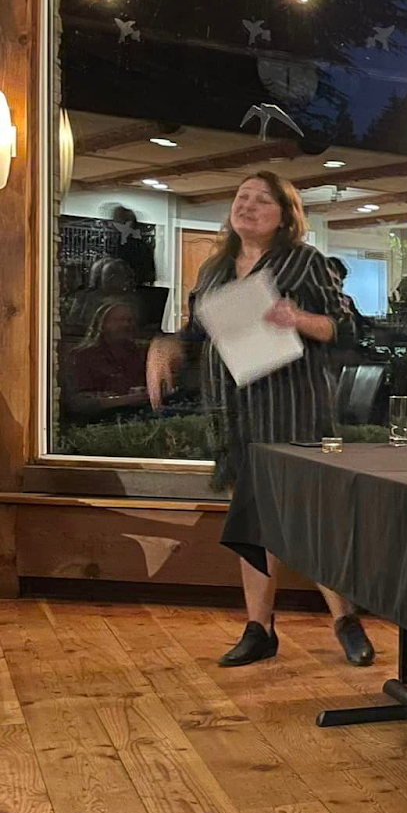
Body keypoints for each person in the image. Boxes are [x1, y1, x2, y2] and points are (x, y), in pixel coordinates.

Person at [147, 172, 376, 670]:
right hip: (234, 415)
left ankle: (344, 620)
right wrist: (163, 348)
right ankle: (259, 628)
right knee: (252, 525)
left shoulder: (304, 262)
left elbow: (345, 327)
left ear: (285, 214)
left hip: (293, 409)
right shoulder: (213, 270)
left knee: (312, 520)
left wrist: (297, 319)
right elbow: (196, 333)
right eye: (241, 197)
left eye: (261, 200)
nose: (247, 206)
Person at [63, 299, 149, 420]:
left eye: (129, 320)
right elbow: (77, 403)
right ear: (102, 324)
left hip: (138, 419)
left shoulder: (138, 354)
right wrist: (122, 401)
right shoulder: (82, 356)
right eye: (119, 320)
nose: (126, 325)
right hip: (99, 424)